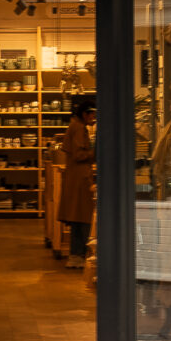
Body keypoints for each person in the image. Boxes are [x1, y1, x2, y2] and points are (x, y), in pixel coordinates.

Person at [58, 95, 96, 270]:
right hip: (81, 179)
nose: (94, 119)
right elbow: (79, 154)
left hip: (75, 177)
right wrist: (96, 152)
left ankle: (76, 255)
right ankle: (79, 254)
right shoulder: (79, 129)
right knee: (84, 218)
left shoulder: (75, 126)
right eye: (92, 115)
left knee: (77, 219)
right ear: (85, 114)